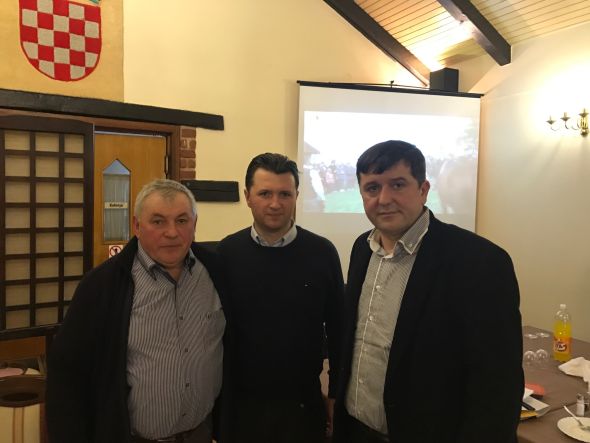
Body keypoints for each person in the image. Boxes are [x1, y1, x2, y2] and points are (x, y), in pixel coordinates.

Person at [332, 140, 523, 443]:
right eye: (372, 188)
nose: (384, 199)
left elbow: (498, 386)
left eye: (398, 185)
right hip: (356, 431)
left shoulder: (479, 261)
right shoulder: (362, 248)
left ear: (423, 189)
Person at [46, 179, 226, 443]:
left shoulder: (216, 272)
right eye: (158, 221)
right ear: (137, 226)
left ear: (195, 224)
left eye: (182, 220)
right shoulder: (103, 286)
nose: (172, 232)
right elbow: (67, 377)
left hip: (201, 433)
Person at [217, 153, 344, 443]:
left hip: (303, 407)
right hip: (241, 409)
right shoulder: (226, 254)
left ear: (296, 196)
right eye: (265, 193)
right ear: (247, 196)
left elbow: (339, 330)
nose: (275, 204)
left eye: (285, 194)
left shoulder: (323, 253)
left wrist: (335, 392)